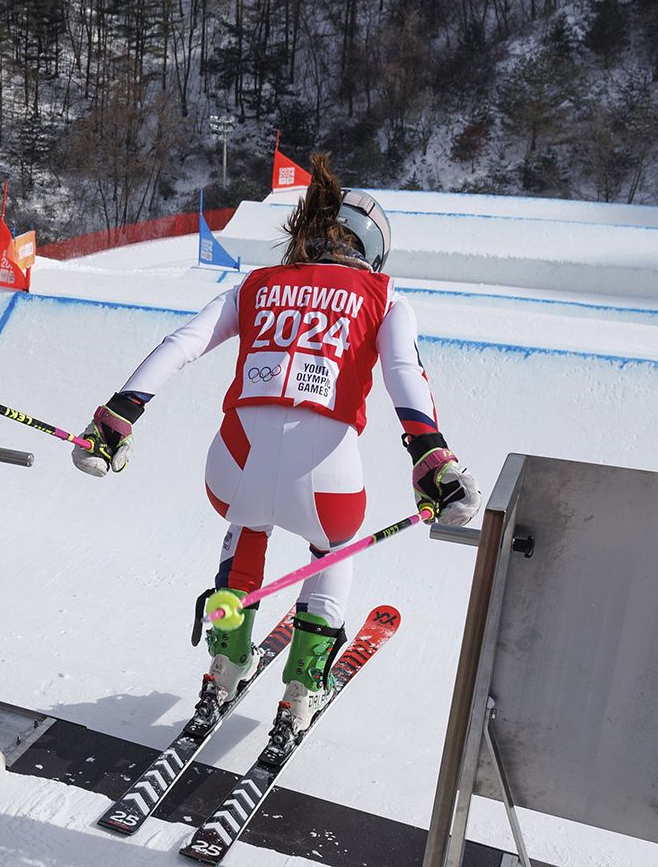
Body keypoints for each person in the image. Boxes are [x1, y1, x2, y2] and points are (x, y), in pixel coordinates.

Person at [70, 153, 482, 746]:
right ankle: (302, 686)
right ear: (372, 251)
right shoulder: (384, 297)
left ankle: (226, 659)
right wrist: (432, 457)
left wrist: (115, 421)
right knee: (332, 548)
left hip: (231, 467)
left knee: (247, 525)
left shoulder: (255, 285)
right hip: (325, 483)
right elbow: (403, 374)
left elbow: (180, 345)